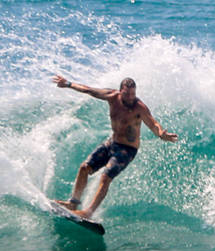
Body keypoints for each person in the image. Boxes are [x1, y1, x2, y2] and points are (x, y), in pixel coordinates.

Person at [51, 74, 178, 218]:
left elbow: (153, 123)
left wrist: (161, 133)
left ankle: (88, 212)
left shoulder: (139, 107)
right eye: (127, 94)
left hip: (127, 150)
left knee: (105, 177)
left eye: (133, 94)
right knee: (84, 168)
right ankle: (73, 203)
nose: (131, 97)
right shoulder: (112, 96)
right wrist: (68, 83)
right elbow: (88, 90)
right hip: (112, 143)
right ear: (120, 91)